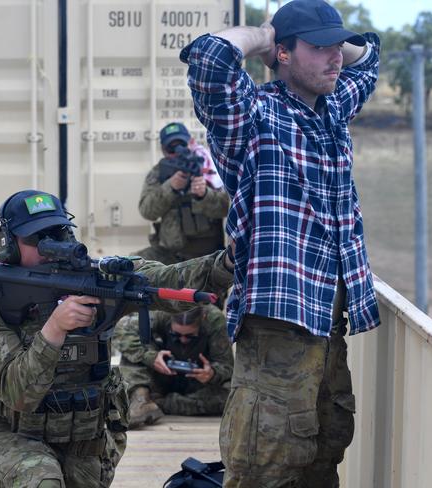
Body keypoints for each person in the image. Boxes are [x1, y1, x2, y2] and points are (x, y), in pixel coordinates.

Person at [179, 0, 381, 486]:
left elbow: (369, 58)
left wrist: (325, 39)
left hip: (328, 322)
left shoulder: (332, 109)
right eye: (319, 48)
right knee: (264, 465)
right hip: (277, 325)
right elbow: (209, 62)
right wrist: (265, 35)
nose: (335, 57)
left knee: (323, 451)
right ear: (283, 54)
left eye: (336, 46)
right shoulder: (254, 118)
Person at [0, 189, 236, 488]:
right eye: (36, 238)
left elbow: (167, 280)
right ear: (8, 245)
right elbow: (18, 393)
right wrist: (54, 330)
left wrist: (226, 264)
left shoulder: (96, 279)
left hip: (85, 436)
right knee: (42, 481)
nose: (49, 246)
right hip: (15, 435)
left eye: (58, 232)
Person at [114, 305, 233, 428]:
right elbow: (121, 331)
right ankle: (141, 401)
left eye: (190, 336)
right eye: (176, 335)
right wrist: (151, 357)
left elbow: (226, 365)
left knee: (230, 397)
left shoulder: (214, 319)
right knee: (133, 355)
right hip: (159, 378)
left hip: (197, 386)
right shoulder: (160, 310)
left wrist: (212, 373)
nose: (183, 340)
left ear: (202, 318)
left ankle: (160, 404)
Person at [135, 122, 230, 265]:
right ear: (163, 149)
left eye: (181, 144)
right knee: (130, 265)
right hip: (170, 255)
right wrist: (170, 188)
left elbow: (227, 208)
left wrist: (204, 195)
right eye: (171, 147)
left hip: (206, 256)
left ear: (190, 143)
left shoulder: (212, 168)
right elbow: (147, 211)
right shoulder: (159, 172)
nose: (176, 151)